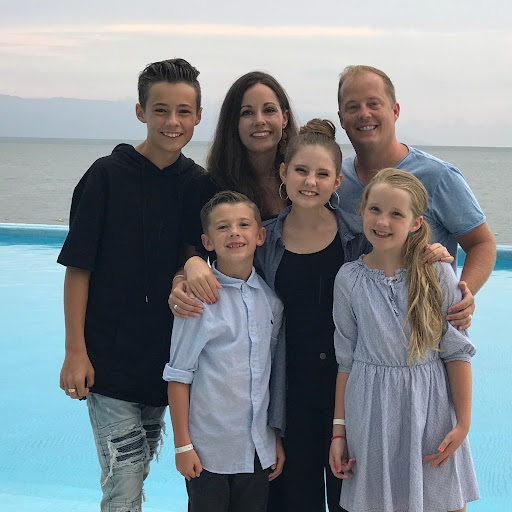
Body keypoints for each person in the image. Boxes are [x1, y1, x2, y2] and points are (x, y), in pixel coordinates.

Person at [169, 119, 451, 511]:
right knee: (295, 501)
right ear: (283, 173)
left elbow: (400, 264)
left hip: (350, 391)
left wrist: (430, 253)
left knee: (350, 500)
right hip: (289, 395)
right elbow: (227, 268)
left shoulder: (359, 237)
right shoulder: (263, 239)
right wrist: (190, 267)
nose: (310, 181)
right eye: (301, 170)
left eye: (322, 174)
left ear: (338, 182)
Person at [57, 58, 205, 511]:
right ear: (141, 112)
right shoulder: (106, 175)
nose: (172, 121)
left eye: (183, 111)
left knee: (138, 469)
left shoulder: (198, 184)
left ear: (198, 117)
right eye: (160, 109)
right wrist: (75, 352)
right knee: (124, 476)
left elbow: (196, 258)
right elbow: (78, 268)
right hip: (108, 361)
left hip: (165, 362)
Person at [329, 168, 479, 512]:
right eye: (375, 209)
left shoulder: (437, 272)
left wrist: (463, 423)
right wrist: (339, 433)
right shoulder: (348, 279)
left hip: (431, 409)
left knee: (443, 501)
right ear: (362, 211)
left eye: (396, 213)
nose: (383, 221)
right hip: (371, 413)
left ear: (415, 223)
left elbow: (456, 352)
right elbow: (345, 361)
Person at [336, 65, 496, 329]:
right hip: (360, 335)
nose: (364, 114)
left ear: (395, 110)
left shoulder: (438, 176)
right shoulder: (335, 181)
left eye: (373, 103)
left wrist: (462, 294)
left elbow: (481, 243)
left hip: (422, 336)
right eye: (353, 107)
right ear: (341, 118)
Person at [163, 191, 286, 512]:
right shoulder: (196, 302)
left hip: (257, 451)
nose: (234, 232)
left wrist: (273, 437)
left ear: (260, 236)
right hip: (208, 454)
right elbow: (178, 376)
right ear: (207, 241)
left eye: (244, 224)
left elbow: (269, 375)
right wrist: (182, 445)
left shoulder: (271, 302)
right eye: (222, 227)